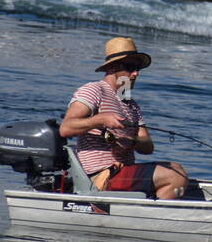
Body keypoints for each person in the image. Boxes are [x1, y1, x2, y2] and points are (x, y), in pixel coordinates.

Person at [59, 36, 190, 199]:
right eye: (129, 67)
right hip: (101, 176)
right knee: (174, 177)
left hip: (125, 172)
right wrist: (100, 119)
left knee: (177, 169)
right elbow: (65, 128)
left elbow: (148, 147)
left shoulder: (131, 104)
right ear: (113, 67)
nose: (135, 74)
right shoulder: (93, 90)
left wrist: (132, 141)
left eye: (137, 69)